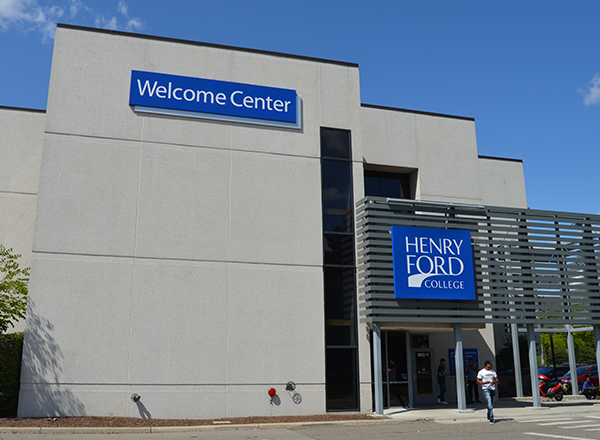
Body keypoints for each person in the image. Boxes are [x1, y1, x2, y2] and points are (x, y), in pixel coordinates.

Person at [477, 360, 499, 424]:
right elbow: (478, 381)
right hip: (486, 388)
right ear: (487, 365)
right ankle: (491, 418)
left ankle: (489, 414)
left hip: (492, 388)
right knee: (489, 402)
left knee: (492, 403)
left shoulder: (493, 371)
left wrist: (493, 382)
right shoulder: (481, 372)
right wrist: (484, 382)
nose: (492, 365)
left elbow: (497, 379)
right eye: (491, 364)